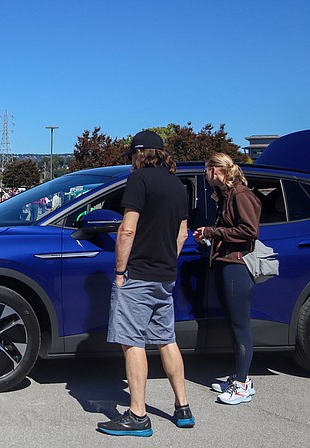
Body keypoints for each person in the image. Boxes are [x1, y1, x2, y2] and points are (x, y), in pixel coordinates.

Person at [97, 130, 194, 436]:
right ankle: (183, 408)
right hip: (165, 276)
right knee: (167, 339)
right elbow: (182, 234)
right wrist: (167, 262)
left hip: (137, 274)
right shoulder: (179, 187)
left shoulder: (139, 181)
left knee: (133, 342)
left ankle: (138, 415)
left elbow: (127, 230)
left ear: (139, 154)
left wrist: (120, 272)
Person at [193, 152, 261, 405]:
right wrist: (211, 234)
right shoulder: (226, 195)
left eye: (207, 169)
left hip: (237, 265)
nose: (205, 174)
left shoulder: (241, 194)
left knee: (240, 325)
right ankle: (239, 377)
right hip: (226, 262)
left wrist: (214, 230)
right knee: (234, 324)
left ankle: (243, 384)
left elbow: (249, 230)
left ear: (216, 170)